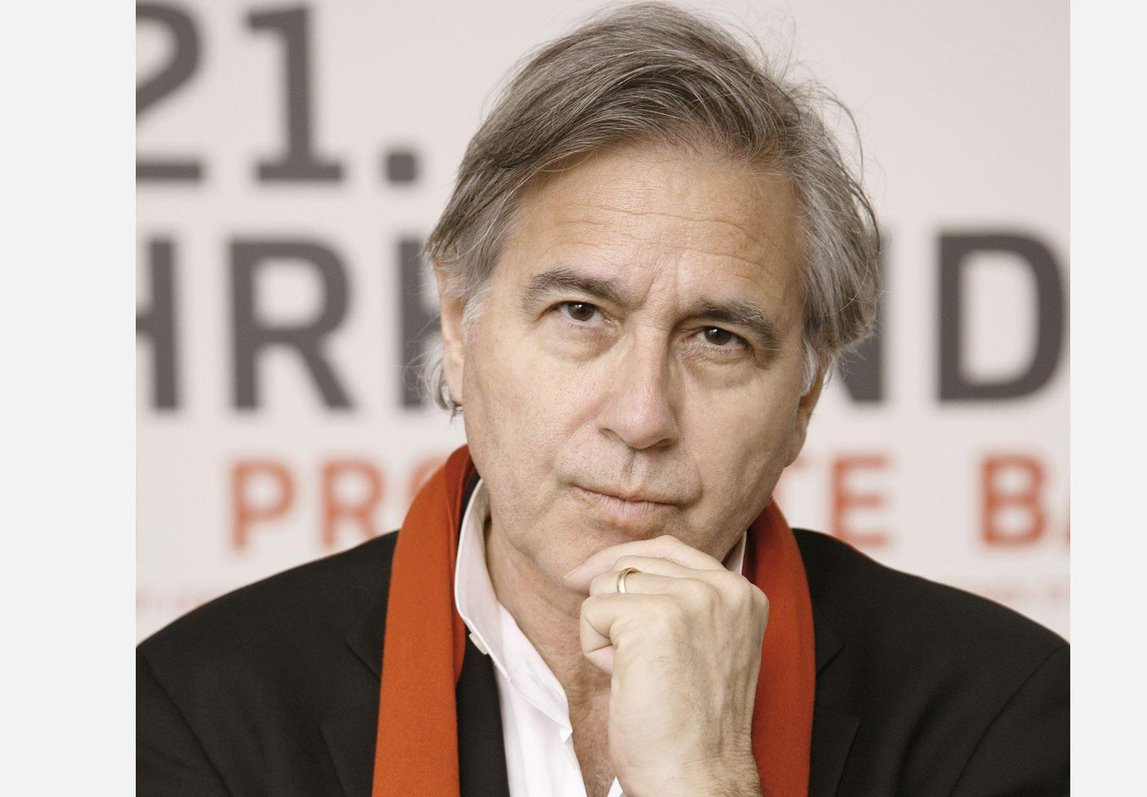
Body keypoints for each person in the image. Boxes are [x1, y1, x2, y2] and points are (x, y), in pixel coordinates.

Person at [136, 4, 1068, 796]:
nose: (641, 415)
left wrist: (706, 776)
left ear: (806, 395)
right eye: (581, 313)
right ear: (460, 325)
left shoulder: (1003, 713)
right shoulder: (200, 712)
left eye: (717, 337)